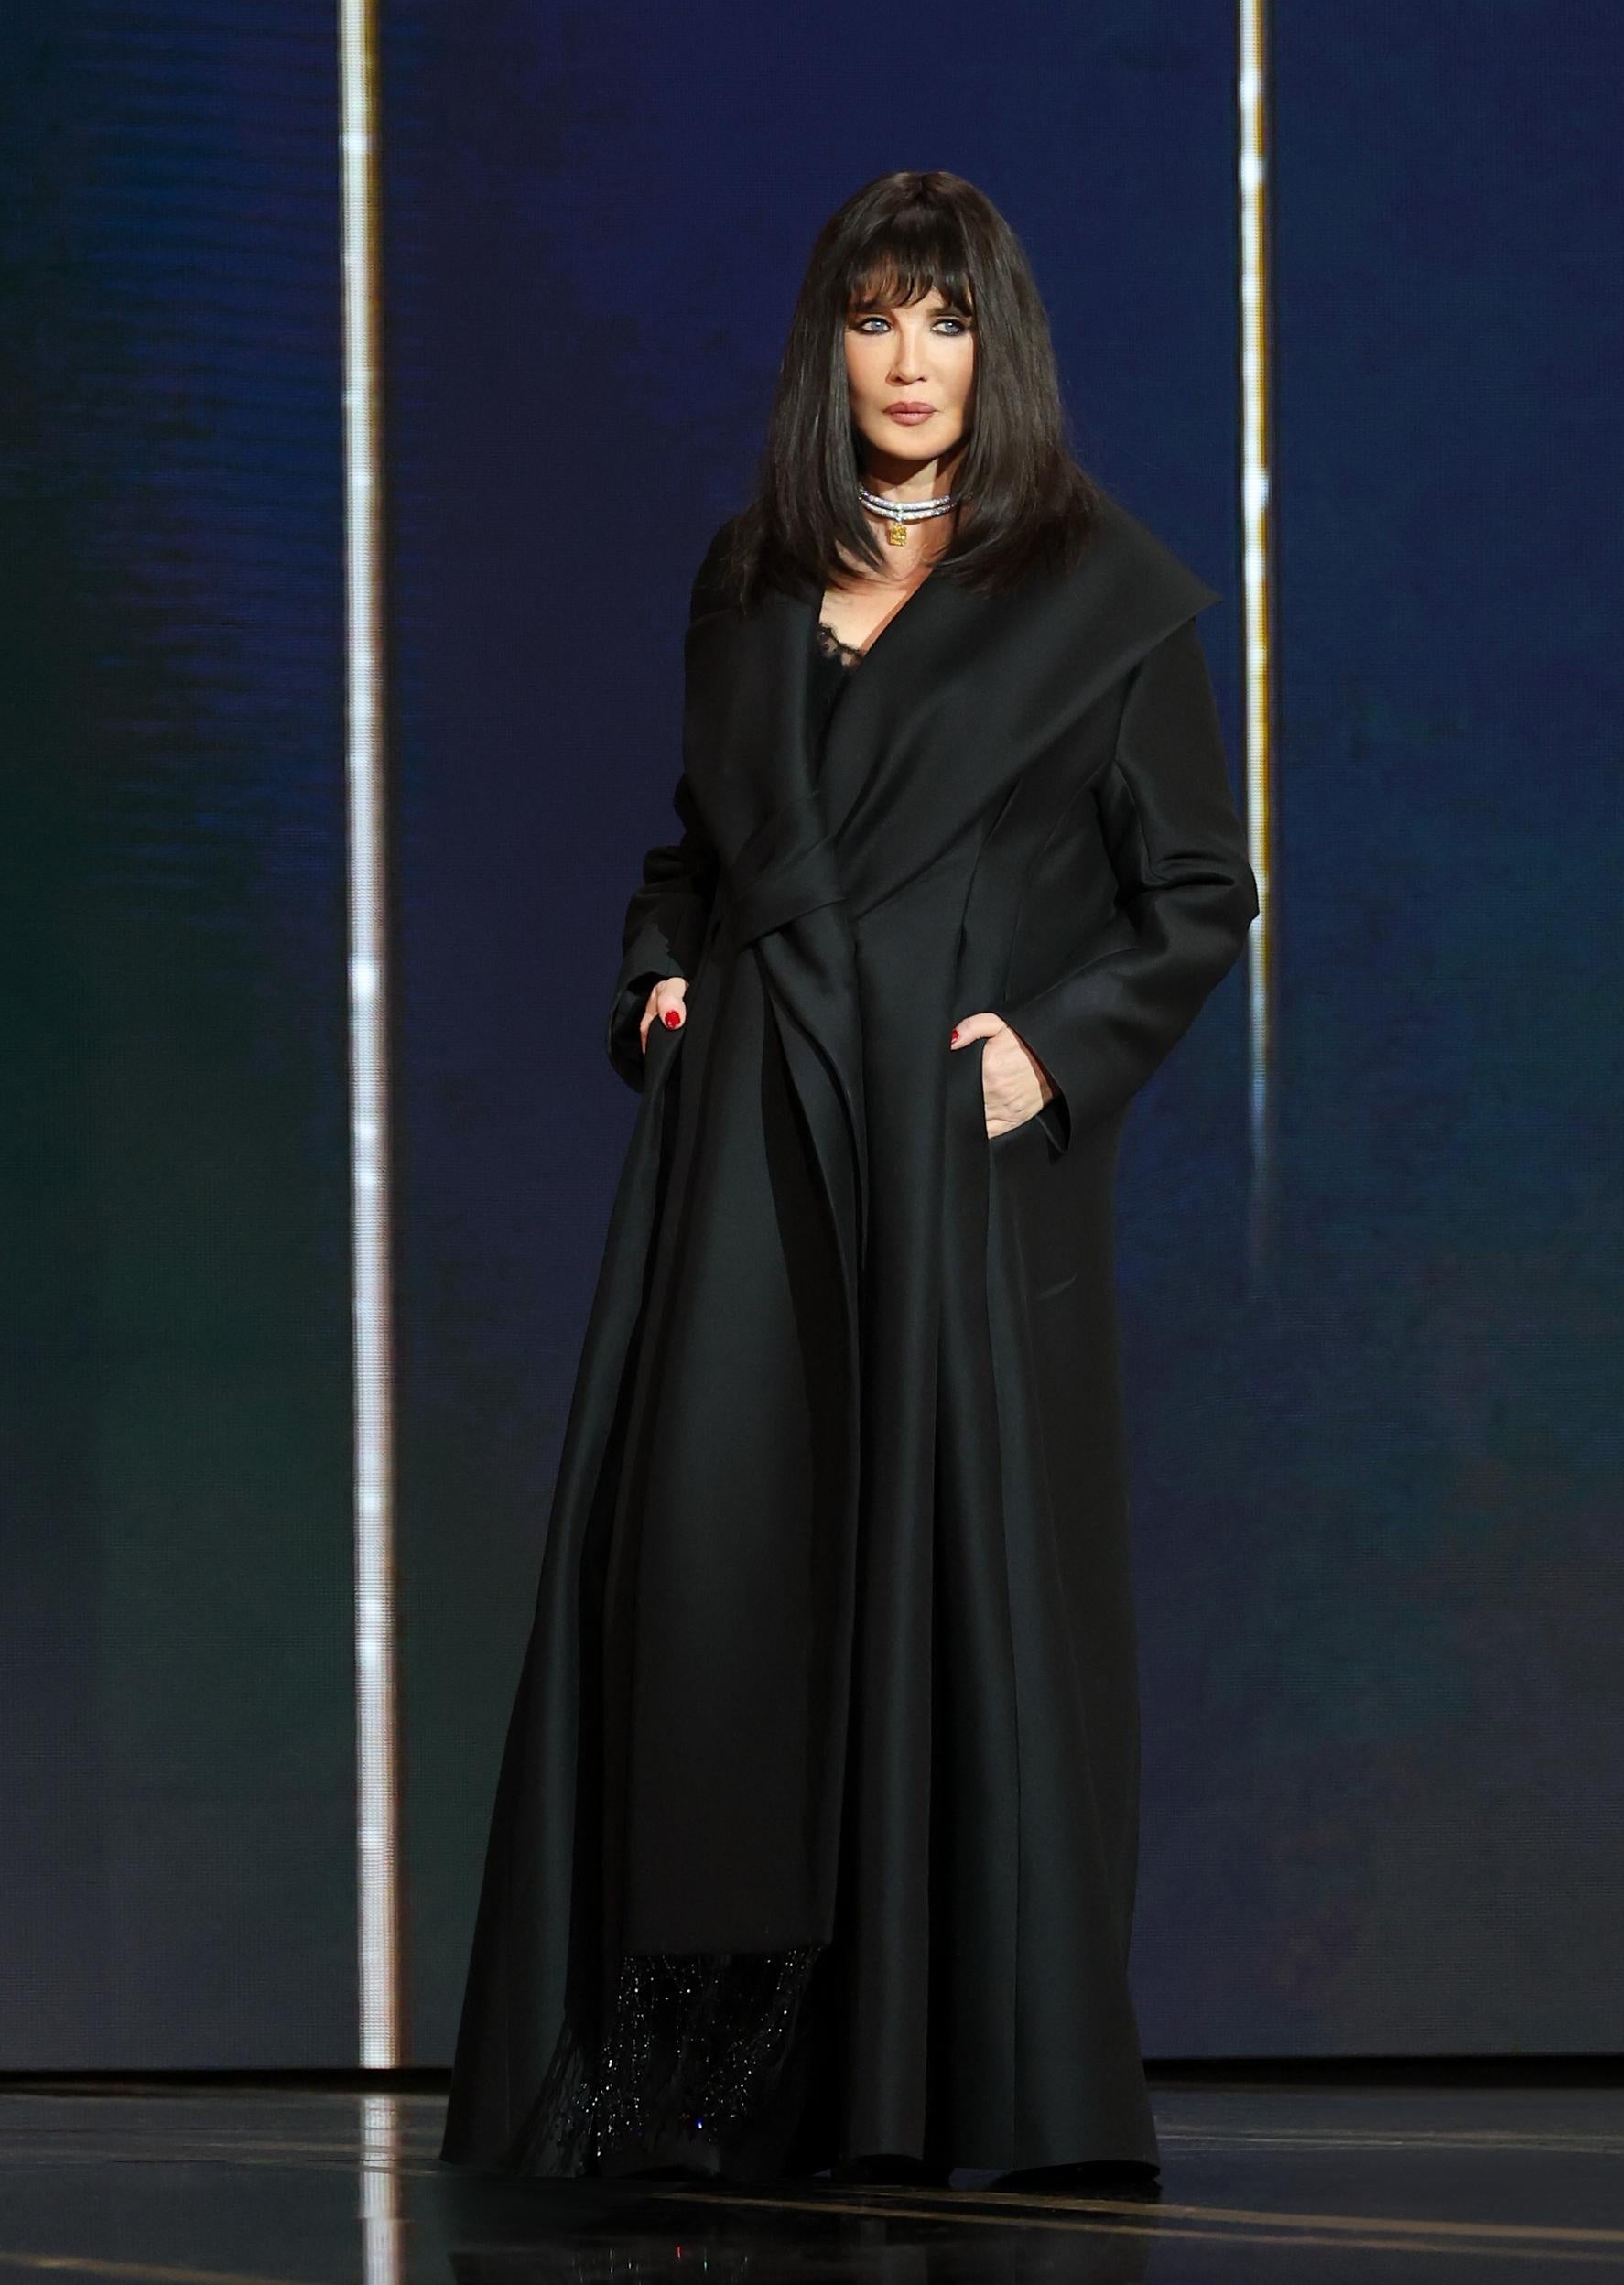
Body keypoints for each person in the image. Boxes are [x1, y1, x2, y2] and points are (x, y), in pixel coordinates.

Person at [440, 168, 1258, 2193]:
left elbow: (1196, 890)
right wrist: (658, 984)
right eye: (876, 318)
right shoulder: (750, 573)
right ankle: (705, 2096)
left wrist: (1049, 1054)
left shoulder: (1098, 592)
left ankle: (937, 2088)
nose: (909, 360)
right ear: (829, 344)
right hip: (739, 1156)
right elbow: (691, 855)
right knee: (716, 1588)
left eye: (946, 320)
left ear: (1001, 344)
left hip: (948, 1174)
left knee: (936, 1594)